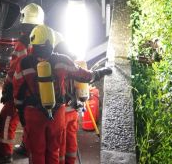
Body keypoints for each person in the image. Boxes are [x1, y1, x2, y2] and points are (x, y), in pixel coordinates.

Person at [12, 25, 111, 164]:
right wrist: (102, 72)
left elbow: (17, 89)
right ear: (51, 42)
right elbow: (85, 76)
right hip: (57, 113)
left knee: (36, 152)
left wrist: (21, 112)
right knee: (54, 151)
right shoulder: (63, 60)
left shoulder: (23, 63)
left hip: (33, 114)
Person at [0, 3, 45, 164]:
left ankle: (4, 153)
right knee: (29, 119)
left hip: (19, 90)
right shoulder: (43, 40)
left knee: (7, 119)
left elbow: (14, 70)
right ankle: (27, 147)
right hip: (36, 92)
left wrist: (7, 88)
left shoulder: (22, 44)